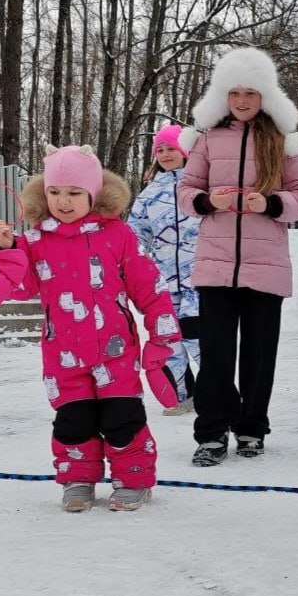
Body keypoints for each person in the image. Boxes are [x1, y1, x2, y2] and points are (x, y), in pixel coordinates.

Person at [0, 145, 181, 512]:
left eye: (74, 193)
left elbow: (148, 285)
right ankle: (78, 479)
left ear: (93, 194)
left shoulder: (118, 235)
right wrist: (7, 250)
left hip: (115, 349)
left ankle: (133, 479)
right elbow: (22, 288)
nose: (63, 201)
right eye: (54, 192)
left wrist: (161, 333)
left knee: (121, 417)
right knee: (73, 420)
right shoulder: (35, 240)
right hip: (63, 353)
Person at [176, 47, 298, 466]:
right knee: (216, 354)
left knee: (258, 355)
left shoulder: (282, 143)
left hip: (266, 268)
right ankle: (212, 432)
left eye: (250, 93)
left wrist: (270, 204)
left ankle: (252, 427)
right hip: (215, 267)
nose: (241, 100)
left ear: (264, 96)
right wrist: (208, 201)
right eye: (234, 92)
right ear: (223, 95)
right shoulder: (207, 139)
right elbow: (185, 190)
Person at [128, 124, 202, 416]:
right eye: (160, 150)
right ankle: (184, 396)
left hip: (199, 279)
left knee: (198, 336)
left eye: (171, 148)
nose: (166, 154)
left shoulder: (200, 186)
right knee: (169, 338)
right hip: (164, 281)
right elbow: (135, 236)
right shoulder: (149, 195)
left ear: (185, 151)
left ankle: (215, 393)